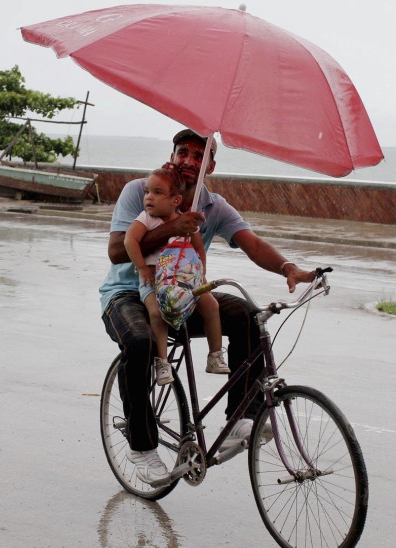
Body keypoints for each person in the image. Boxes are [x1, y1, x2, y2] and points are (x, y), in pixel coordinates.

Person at [99, 129, 315, 483]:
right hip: (129, 294)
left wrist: (287, 267)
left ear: (210, 166)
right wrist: (171, 230)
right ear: (172, 156)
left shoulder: (214, 206)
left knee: (247, 316)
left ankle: (239, 420)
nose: (189, 160)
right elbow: (116, 250)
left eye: (200, 156)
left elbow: (252, 242)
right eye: (183, 152)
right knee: (138, 342)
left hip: (183, 294)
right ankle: (141, 445)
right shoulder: (142, 191)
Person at [123, 164, 229, 388]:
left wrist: (201, 272)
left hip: (185, 280)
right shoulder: (147, 219)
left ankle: (215, 354)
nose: (149, 198)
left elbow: (199, 248)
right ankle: (162, 361)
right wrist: (142, 267)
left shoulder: (186, 221)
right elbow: (129, 240)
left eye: (157, 193)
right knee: (156, 312)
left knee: (211, 304)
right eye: (147, 192)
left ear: (175, 201)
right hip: (155, 280)